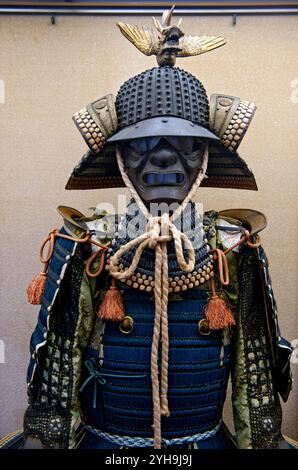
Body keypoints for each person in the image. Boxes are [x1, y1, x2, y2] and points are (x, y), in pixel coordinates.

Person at [0, 7, 293, 450]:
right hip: (108, 445)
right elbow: (58, 366)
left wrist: (263, 442)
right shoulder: (88, 242)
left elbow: (254, 373)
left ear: (206, 158)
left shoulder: (232, 246)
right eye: (142, 146)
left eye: (185, 145)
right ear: (118, 158)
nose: (163, 158)